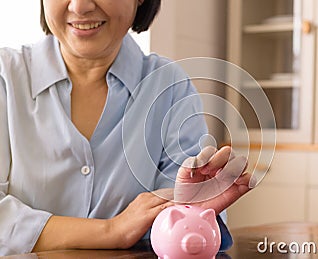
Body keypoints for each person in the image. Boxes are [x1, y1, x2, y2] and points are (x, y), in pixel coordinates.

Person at [0, 0, 252, 255]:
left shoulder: (169, 87)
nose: (79, 6)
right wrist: (112, 231)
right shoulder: (5, 77)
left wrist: (190, 212)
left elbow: (177, 232)